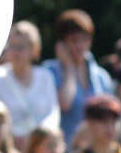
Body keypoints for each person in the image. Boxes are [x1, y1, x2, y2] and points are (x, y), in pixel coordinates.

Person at [0, 21, 60, 152]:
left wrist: (37, 138)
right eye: (11, 46)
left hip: (41, 151)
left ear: (35, 50)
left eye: (21, 47)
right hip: (8, 149)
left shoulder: (45, 77)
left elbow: (52, 114)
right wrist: (14, 137)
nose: (15, 52)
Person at [42, 9, 114, 144]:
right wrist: (69, 68)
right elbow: (64, 103)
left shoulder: (102, 76)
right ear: (62, 43)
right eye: (74, 40)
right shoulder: (49, 72)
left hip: (95, 152)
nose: (80, 46)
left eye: (84, 39)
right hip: (62, 149)